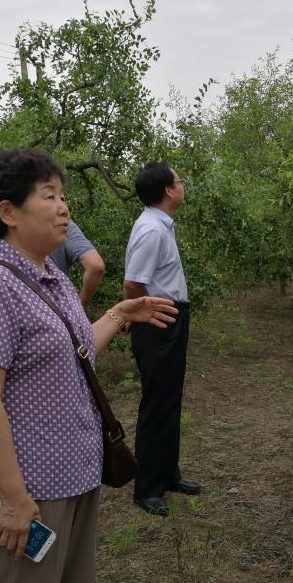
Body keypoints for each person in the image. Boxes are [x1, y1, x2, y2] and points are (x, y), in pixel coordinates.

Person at [0, 148, 176, 583]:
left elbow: (74, 352)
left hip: (74, 474)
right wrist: (14, 499)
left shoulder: (49, 278)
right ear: (8, 212)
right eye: (49, 196)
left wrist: (119, 314)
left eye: (63, 196)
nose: (64, 208)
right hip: (30, 489)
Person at [124, 161, 201, 517]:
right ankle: (147, 487)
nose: (183, 186)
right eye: (180, 180)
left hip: (170, 318)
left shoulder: (161, 225)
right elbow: (132, 284)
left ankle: (168, 474)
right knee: (157, 403)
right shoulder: (152, 229)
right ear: (169, 190)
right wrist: (143, 315)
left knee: (170, 400)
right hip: (157, 320)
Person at [0, 219, 106, 308]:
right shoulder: (66, 226)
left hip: (7, 310)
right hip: (57, 314)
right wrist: (80, 306)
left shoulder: (6, 223)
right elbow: (95, 266)